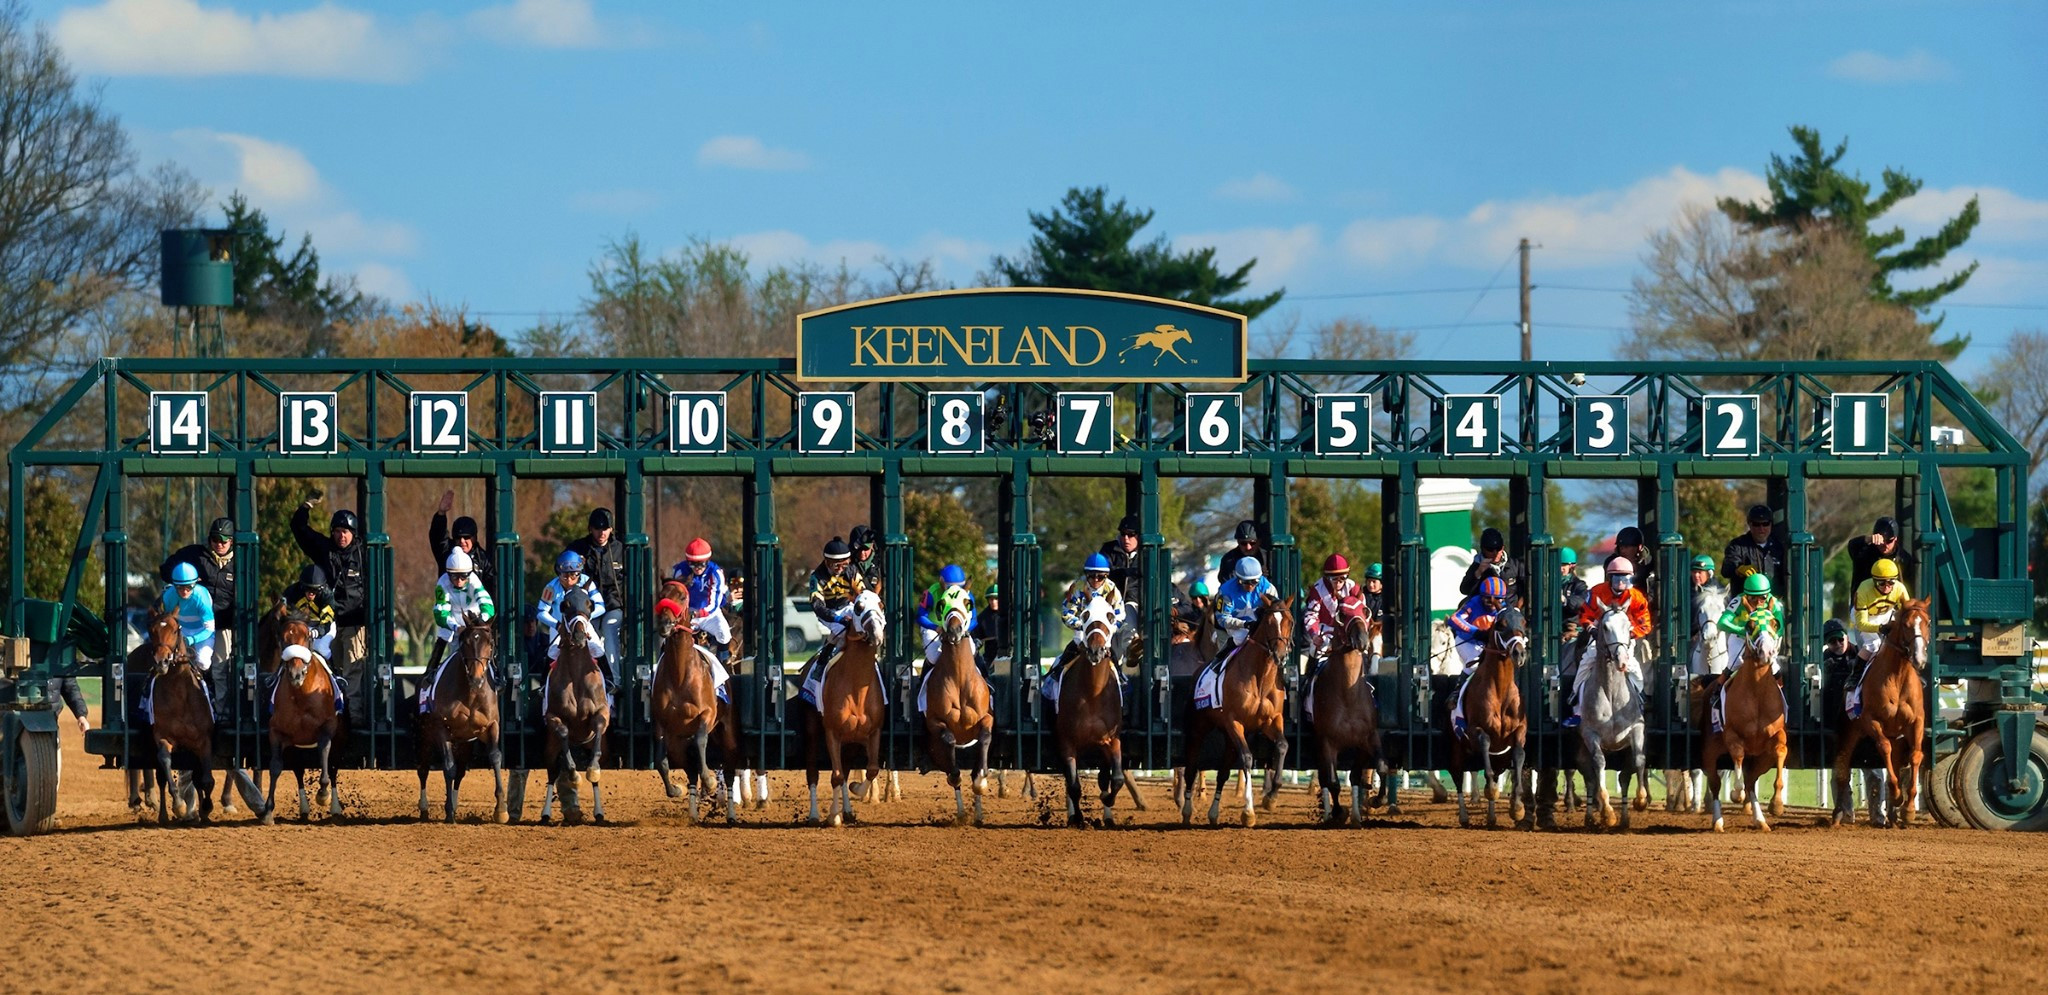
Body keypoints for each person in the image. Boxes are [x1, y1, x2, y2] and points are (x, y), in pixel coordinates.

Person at [291, 495, 368, 723]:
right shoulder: (325, 549)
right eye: (336, 531)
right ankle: (331, 714)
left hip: (354, 624)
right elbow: (299, 528)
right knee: (327, 666)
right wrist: (306, 506)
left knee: (353, 670)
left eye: (345, 531)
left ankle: (354, 718)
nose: (340, 535)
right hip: (328, 624)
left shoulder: (364, 554)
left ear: (353, 534)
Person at [160, 516, 238, 720]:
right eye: (215, 539)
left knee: (220, 667)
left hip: (221, 625)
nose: (219, 544)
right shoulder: (195, 554)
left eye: (224, 540)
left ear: (232, 541)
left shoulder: (239, 562)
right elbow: (165, 569)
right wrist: (185, 582)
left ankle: (221, 713)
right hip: (189, 623)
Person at [1565, 556, 1652, 727]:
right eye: (1617, 578)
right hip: (1601, 636)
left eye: (1625, 578)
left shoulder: (1637, 597)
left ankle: (1640, 701)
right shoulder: (1597, 592)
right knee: (1586, 662)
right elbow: (1585, 615)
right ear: (1609, 578)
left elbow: (1645, 622)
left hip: (1625, 638)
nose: (1621, 583)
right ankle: (1577, 706)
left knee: (1634, 668)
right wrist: (1592, 630)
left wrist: (1629, 635)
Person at [422, 549, 497, 710]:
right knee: (441, 643)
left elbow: (488, 605)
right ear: (448, 574)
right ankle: (427, 682)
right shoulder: (442, 583)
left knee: (484, 647)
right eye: (455, 576)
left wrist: (478, 624)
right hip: (452, 622)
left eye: (463, 576)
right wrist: (456, 627)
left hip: (474, 620)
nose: (459, 580)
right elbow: (440, 613)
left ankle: (496, 678)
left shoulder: (474, 581)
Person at [565, 508, 626, 681]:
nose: (602, 533)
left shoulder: (620, 550)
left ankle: (613, 680)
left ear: (611, 529)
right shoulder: (578, 548)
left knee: (610, 630)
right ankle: (585, 680)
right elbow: (565, 572)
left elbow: (628, 581)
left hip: (613, 605)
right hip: (587, 608)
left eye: (605, 528)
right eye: (597, 528)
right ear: (590, 529)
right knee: (591, 638)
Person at [800, 537, 863, 699]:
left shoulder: (851, 571)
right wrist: (838, 619)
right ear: (827, 562)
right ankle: (821, 664)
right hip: (828, 612)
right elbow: (818, 606)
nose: (842, 568)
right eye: (837, 565)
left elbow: (863, 593)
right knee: (841, 632)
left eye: (845, 563)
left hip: (846, 606)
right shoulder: (817, 577)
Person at [536, 551, 609, 685]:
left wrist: (584, 618)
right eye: (564, 576)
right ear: (558, 573)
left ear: (579, 573)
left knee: (597, 647)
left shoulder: (587, 582)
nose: (569, 580)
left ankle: (609, 680)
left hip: (582, 623)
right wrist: (557, 625)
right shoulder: (551, 587)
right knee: (553, 652)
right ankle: (543, 684)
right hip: (560, 626)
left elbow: (600, 606)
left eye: (573, 575)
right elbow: (541, 612)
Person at [161, 562, 218, 713]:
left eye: (189, 587)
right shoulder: (168, 596)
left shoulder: (202, 598)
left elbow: (209, 629)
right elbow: (170, 622)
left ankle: (210, 693)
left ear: (195, 583)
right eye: (180, 587)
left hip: (203, 632)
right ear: (174, 586)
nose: (184, 591)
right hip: (181, 630)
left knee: (203, 661)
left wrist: (191, 640)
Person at [669, 538, 733, 661]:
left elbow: (715, 603)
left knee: (724, 633)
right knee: (672, 635)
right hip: (687, 613)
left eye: (701, 564)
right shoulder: (680, 571)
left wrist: (699, 613)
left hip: (709, 614)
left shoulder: (715, 573)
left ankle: (723, 665)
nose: (697, 568)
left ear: (708, 561)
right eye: (693, 564)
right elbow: (676, 595)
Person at [1210, 556, 1278, 665]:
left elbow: (1276, 613)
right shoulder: (1226, 591)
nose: (1250, 586)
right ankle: (1219, 663)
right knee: (1241, 636)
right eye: (1245, 582)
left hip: (1259, 625)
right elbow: (1223, 619)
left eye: (1254, 581)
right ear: (1238, 579)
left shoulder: (1268, 588)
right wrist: (1244, 624)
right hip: (1233, 627)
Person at [429, 489, 497, 596]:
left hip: (473, 609)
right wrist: (441, 514)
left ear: (474, 537)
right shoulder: (447, 553)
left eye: (466, 537)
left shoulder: (483, 559)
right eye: (458, 538)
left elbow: (492, 587)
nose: (462, 541)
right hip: (450, 608)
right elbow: (438, 537)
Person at [1716, 573, 1786, 672]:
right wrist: (1743, 631)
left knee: (1775, 669)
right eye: (1753, 598)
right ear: (1746, 595)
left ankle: (1780, 686)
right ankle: (1722, 686)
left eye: (1762, 597)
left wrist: (1770, 637)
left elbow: (1781, 627)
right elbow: (1722, 623)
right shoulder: (1738, 600)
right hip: (1740, 639)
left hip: (1764, 639)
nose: (1758, 602)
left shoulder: (1773, 602)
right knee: (1734, 665)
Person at [1302, 554, 1365, 663]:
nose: (1339, 582)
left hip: (1349, 633)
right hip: (1325, 633)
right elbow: (1311, 615)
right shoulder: (1317, 590)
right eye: (1334, 578)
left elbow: (1363, 614)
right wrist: (1315, 635)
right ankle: (1310, 677)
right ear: (1326, 577)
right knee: (1315, 650)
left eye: (1343, 578)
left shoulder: (1354, 589)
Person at [1850, 558, 1911, 664]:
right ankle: (1856, 675)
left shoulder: (1899, 588)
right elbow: (1861, 624)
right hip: (1865, 617)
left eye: (1891, 582)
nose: (1886, 587)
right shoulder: (1863, 590)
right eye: (1881, 583)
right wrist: (1880, 628)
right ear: (1874, 581)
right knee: (1873, 645)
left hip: (1886, 614)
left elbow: (1908, 613)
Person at [1720, 503, 1788, 597]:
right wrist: (1738, 569)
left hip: (1773, 604)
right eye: (1756, 524)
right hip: (1746, 605)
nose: (1761, 528)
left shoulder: (1779, 547)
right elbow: (1726, 569)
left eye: (1765, 524)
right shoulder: (1737, 545)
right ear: (1749, 524)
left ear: (1771, 524)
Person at [917, 565, 978, 666]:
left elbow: (974, 619)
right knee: (934, 657)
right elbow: (921, 616)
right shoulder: (931, 592)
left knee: (972, 651)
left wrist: (964, 629)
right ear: (942, 584)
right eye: (950, 587)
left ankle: (985, 677)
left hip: (958, 628)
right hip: (934, 628)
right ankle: (924, 679)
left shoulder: (967, 594)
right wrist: (936, 627)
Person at [1448, 575, 1510, 672]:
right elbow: (1454, 619)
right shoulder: (1474, 603)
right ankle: (1460, 685)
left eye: (1497, 598)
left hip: (1487, 645)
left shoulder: (1504, 608)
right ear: (1481, 596)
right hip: (1467, 641)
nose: (1492, 601)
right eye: (1488, 598)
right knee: (1475, 666)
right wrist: (1475, 632)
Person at [280, 565, 337, 664]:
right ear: (302, 586)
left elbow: (327, 620)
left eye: (315, 590)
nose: (311, 593)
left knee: (320, 648)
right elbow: (285, 615)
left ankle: (334, 672)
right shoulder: (291, 593)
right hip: (300, 626)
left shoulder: (327, 595)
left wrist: (316, 632)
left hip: (323, 626)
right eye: (308, 588)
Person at [1459, 527, 1527, 609]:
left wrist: (1517, 609)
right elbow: (1464, 590)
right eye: (1490, 549)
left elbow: (1527, 588)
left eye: (1498, 548)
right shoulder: (1476, 566)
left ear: (1502, 548)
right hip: (1486, 612)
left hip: (1510, 612)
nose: (1495, 553)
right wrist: (1478, 573)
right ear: (1483, 549)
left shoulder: (1515, 565)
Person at [1847, 516, 1917, 591]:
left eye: (1889, 541)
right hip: (1865, 600)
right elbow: (1852, 546)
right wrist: (1868, 539)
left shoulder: (1904, 559)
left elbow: (1909, 588)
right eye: (1881, 541)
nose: (1885, 545)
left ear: (1895, 538)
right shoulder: (1865, 552)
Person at [1101, 515, 1144, 603]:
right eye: (1123, 534)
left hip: (1135, 602)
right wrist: (1125, 572)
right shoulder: (1109, 549)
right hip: (1109, 600)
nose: (1126, 538)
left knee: (1129, 613)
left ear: (1139, 536)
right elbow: (1102, 573)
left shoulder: (1146, 554)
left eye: (1131, 534)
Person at [1216, 520, 1263, 591]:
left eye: (1252, 543)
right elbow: (1227, 585)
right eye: (1243, 543)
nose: (1248, 547)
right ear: (1238, 542)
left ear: (1259, 541)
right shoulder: (1229, 560)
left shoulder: (1266, 558)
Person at [1614, 526, 1655, 607]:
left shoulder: (1649, 563)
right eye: (1620, 547)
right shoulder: (1613, 562)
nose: (1623, 550)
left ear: (1639, 547)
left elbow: (1653, 591)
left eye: (1626, 547)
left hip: (1643, 604)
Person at [970, 583, 1009, 663]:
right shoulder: (982, 618)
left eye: (996, 599)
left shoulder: (1009, 614)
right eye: (991, 599)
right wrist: (976, 642)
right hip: (989, 658)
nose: (993, 602)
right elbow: (975, 635)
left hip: (1008, 655)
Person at [1559, 548, 1590, 639]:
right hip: (1549, 625)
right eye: (1559, 565)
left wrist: (1564, 600)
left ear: (1572, 566)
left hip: (1570, 627)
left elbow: (1581, 602)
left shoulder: (1579, 585)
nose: (1561, 568)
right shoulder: (1548, 582)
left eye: (1564, 565)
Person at [848, 524, 884, 593]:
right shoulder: (848, 565)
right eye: (859, 549)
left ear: (872, 546)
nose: (862, 553)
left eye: (865, 548)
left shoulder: (881, 563)